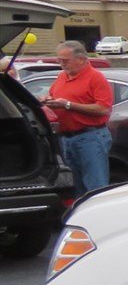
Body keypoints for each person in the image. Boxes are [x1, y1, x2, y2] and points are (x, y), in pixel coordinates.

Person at [43, 42, 114, 198]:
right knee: (76, 187)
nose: (61, 64)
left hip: (90, 137)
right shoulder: (62, 76)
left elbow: (103, 108)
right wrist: (48, 101)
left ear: (81, 59)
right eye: (59, 60)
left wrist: (68, 105)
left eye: (65, 60)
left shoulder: (95, 77)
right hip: (67, 139)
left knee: (95, 187)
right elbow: (55, 98)